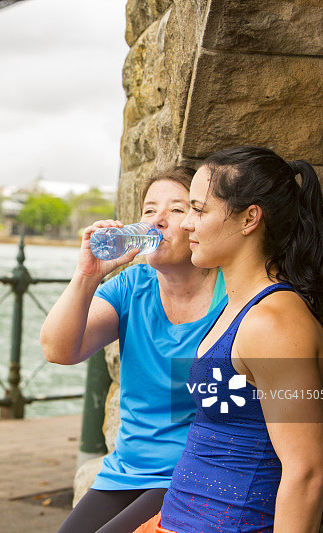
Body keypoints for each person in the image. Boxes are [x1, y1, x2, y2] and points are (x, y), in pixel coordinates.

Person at [134, 146, 323, 533]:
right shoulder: (236, 306)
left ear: (249, 218)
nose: (186, 223)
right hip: (180, 519)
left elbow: (307, 473)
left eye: (198, 209)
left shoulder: (274, 325)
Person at [41, 166, 228, 533]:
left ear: (197, 222)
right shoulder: (131, 286)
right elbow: (57, 349)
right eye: (148, 210)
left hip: (190, 475)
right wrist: (88, 275)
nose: (158, 220)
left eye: (176, 209)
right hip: (126, 470)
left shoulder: (231, 294)